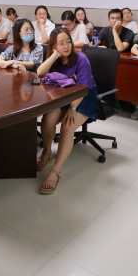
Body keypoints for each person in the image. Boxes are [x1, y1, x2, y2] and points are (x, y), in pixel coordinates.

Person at [36, 28, 98, 194]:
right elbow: (40, 72)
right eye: (61, 43)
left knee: (67, 126)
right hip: (64, 95)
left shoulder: (81, 59)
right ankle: (47, 153)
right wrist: (54, 56)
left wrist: (72, 107)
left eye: (68, 42)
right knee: (48, 119)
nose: (66, 46)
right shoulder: (55, 59)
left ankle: (55, 170)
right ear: (54, 46)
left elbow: (83, 88)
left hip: (84, 96)